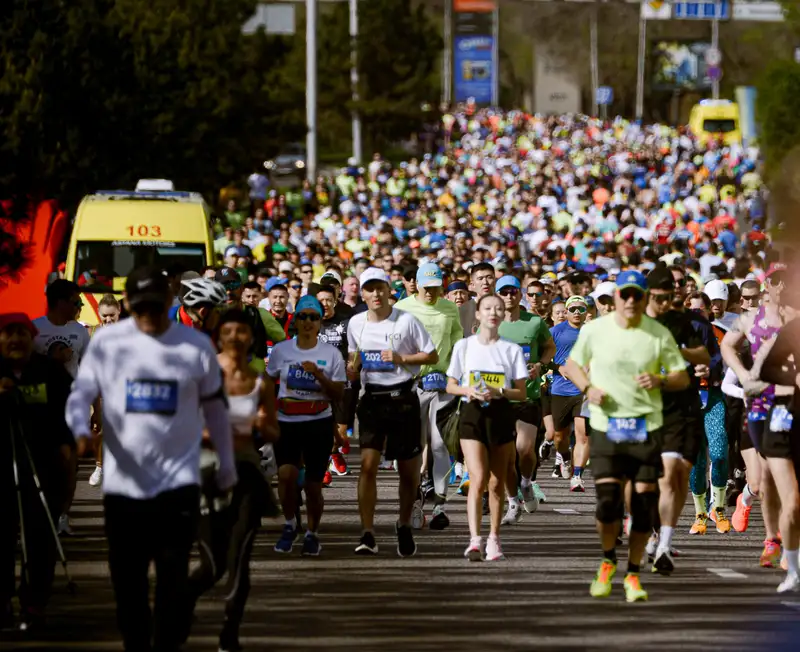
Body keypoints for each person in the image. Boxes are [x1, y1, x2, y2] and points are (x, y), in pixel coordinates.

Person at [65, 266, 237, 652]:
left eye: (156, 308)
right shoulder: (109, 343)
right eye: (140, 308)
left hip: (178, 483)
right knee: (128, 583)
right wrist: (79, 429)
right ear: (127, 304)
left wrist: (226, 466)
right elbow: (80, 394)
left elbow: (216, 412)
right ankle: (137, 642)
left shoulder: (194, 346)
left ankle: (167, 641)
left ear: (169, 303)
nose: (148, 317)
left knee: (173, 579)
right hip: (125, 486)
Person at [563, 270, 689, 602]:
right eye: (625, 294)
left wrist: (661, 381)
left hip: (646, 427)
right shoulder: (594, 330)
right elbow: (572, 365)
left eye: (637, 295)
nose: (631, 300)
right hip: (606, 426)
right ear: (616, 297)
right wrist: (587, 388)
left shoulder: (658, 333)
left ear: (645, 298)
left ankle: (633, 574)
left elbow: (681, 376)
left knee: (644, 504)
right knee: (608, 503)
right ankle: (607, 561)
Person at [185, 309, 277, 652]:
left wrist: (259, 425)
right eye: (229, 332)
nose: (236, 338)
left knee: (239, 559)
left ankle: (229, 634)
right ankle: (180, 603)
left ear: (251, 338)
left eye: (242, 332)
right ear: (219, 337)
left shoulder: (260, 381)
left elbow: (273, 431)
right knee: (212, 564)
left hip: (246, 473)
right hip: (205, 472)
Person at [347, 268, 438, 557]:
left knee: (409, 473)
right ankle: (367, 533)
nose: (375, 294)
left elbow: (431, 355)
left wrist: (402, 358)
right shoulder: (355, 323)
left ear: (389, 290)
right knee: (368, 466)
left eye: (380, 288)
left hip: (403, 398)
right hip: (372, 400)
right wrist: (352, 368)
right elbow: (353, 364)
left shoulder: (406, 320)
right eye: (369, 289)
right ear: (362, 293)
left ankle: (403, 524)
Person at [0, 313, 74, 631]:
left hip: (41, 466)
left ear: (33, 338)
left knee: (39, 538)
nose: (15, 340)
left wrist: (68, 450)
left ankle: (33, 603)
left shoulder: (51, 372)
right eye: (8, 334)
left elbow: (68, 414)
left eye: (22, 333)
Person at [446, 294, 528, 561]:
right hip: (471, 414)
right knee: (478, 478)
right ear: (478, 314)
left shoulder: (511, 350)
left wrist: (499, 390)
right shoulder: (464, 346)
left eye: (499, 308)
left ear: (504, 314)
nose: (493, 312)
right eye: (487, 308)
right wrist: (468, 390)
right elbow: (450, 385)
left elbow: (521, 393)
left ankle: (494, 539)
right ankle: (474, 540)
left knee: (496, 482)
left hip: (501, 415)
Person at [643, 266, 711, 573]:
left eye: (671, 294)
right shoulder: (634, 323)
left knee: (678, 474)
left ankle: (664, 545)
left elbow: (704, 355)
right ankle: (650, 532)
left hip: (682, 406)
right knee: (657, 479)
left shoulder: (686, 321)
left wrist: (681, 351)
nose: (665, 302)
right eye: (660, 296)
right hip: (646, 408)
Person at [267, 296, 346, 556]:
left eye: (314, 317)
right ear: (296, 320)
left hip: (318, 423)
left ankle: (312, 533)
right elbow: (268, 383)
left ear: (320, 322)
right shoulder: (282, 350)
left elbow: (338, 393)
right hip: (287, 423)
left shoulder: (330, 354)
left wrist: (318, 374)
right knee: (287, 477)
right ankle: (290, 524)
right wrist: (266, 412)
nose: (308, 322)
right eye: (303, 317)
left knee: (313, 486)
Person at [395, 263, 463, 530]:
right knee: (414, 447)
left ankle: (440, 506)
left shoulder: (450, 308)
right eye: (427, 288)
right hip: (412, 384)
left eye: (436, 288)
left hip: (442, 384)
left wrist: (454, 373)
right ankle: (414, 500)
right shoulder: (403, 308)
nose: (431, 293)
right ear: (417, 285)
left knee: (439, 444)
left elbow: (458, 341)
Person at [494, 275, 555, 522]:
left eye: (513, 291)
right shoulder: (491, 323)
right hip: (500, 399)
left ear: (520, 294)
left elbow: (549, 347)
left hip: (527, 397)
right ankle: (512, 502)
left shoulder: (534, 323)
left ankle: (527, 482)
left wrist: (540, 364)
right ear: (498, 295)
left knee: (524, 449)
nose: (509, 296)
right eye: (504, 291)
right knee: (507, 457)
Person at [33, 279, 90, 536]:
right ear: (60, 302)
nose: (79, 306)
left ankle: (63, 515)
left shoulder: (80, 331)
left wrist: (96, 409)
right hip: (40, 406)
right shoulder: (34, 329)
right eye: (75, 302)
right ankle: (40, 513)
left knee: (71, 464)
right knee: (42, 463)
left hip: (73, 404)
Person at [759, 283, 800, 593]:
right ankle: (793, 568)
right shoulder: (792, 331)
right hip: (784, 420)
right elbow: (768, 369)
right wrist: (793, 378)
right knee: (793, 502)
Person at [549, 296, 590, 489]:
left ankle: (578, 475)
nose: (576, 313)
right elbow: (543, 358)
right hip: (560, 389)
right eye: (572, 309)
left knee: (583, 435)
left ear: (586, 312)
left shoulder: (593, 333)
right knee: (559, 436)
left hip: (584, 390)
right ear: (566, 312)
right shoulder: (555, 331)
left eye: (580, 309)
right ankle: (565, 458)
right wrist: (558, 368)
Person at [88, 294, 122, 489]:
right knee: (99, 430)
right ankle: (99, 466)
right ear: (99, 315)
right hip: (102, 390)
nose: (108, 320)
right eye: (104, 316)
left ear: (119, 313)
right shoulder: (93, 334)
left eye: (112, 315)